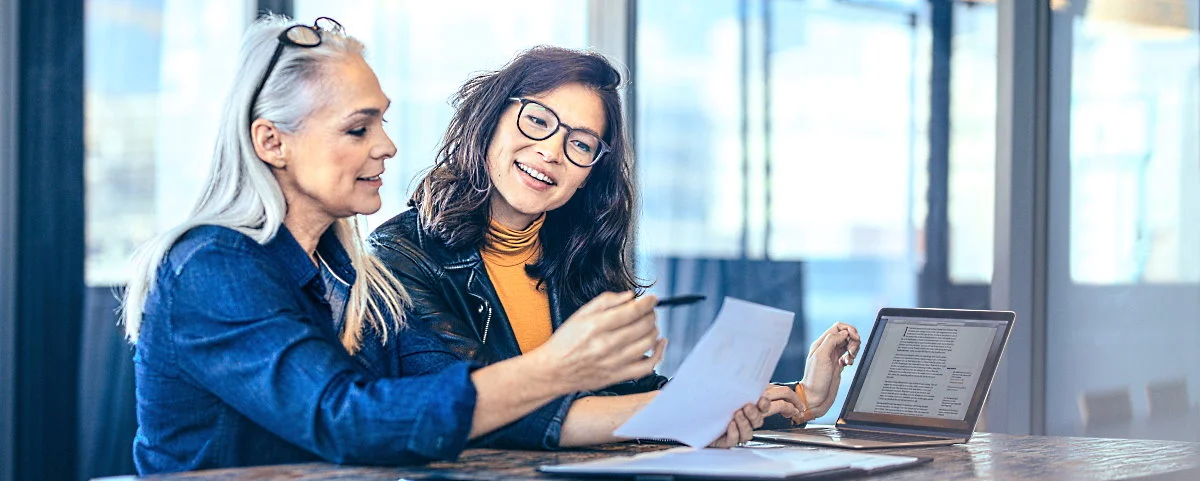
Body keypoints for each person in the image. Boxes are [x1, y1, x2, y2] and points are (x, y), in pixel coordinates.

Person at [121, 16, 754, 475]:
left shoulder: (353, 275)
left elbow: (463, 398)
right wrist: (555, 368)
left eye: (383, 121)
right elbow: (348, 419)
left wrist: (699, 406)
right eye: (357, 128)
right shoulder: (212, 266)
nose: (387, 146)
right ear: (271, 142)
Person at [368, 46, 862, 448]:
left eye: (580, 144)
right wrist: (688, 412)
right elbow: (474, 410)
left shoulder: (576, 260)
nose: (551, 151)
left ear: (589, 175)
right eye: (537, 120)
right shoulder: (399, 256)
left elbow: (633, 396)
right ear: (491, 119)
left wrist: (801, 396)